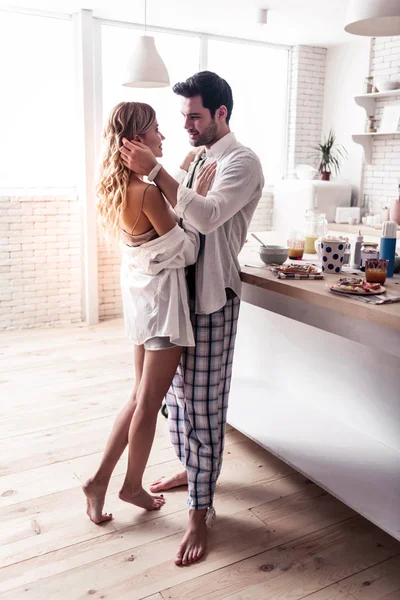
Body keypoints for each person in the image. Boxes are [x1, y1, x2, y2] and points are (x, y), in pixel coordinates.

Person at [119, 71, 265, 567]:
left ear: (221, 113)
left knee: (203, 406)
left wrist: (159, 171)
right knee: (176, 401)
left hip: (211, 300)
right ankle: (193, 470)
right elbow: (179, 218)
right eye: (182, 117)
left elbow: (203, 217)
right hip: (179, 299)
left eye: (195, 116)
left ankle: (200, 509)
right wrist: (167, 174)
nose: (186, 125)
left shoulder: (241, 161)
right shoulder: (199, 155)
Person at [83, 101, 216, 523]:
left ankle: (99, 480)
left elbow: (158, 235)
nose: (165, 135)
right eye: (158, 129)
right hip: (163, 312)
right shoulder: (148, 192)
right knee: (149, 403)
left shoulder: (123, 187)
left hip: (143, 309)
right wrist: (203, 199)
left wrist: (174, 169)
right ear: (138, 140)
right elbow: (189, 249)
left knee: (137, 396)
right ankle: (130, 484)